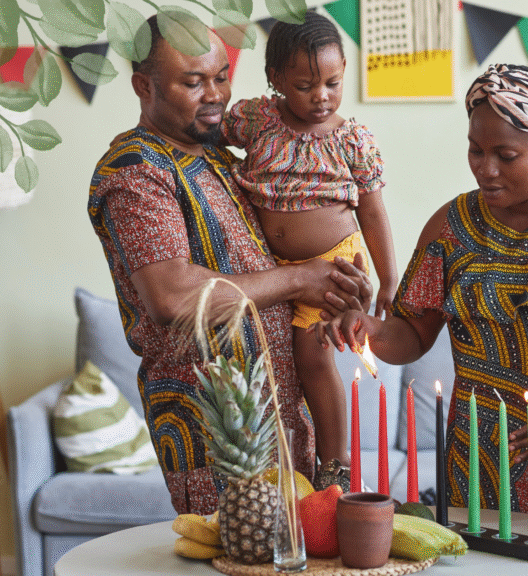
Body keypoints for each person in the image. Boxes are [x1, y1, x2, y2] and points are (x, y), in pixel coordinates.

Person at [315, 64, 528, 523]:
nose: (485, 169)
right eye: (475, 150)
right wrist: (367, 328)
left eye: (505, 155)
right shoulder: (450, 227)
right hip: (476, 461)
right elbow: (413, 332)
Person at [87, 16, 372, 515]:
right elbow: (173, 296)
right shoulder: (136, 170)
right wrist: (302, 279)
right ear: (143, 86)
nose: (216, 94)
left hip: (283, 425)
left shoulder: (223, 154)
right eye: (194, 82)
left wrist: (340, 274)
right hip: (218, 441)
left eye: (221, 76)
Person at [220, 10, 397, 490]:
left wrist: (389, 278)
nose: (322, 96)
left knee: (313, 358)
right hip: (272, 268)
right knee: (276, 366)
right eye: (305, 85)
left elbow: (374, 212)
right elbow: (211, 141)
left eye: (333, 82)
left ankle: (335, 461)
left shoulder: (351, 138)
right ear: (276, 79)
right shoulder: (256, 119)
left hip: (335, 264)